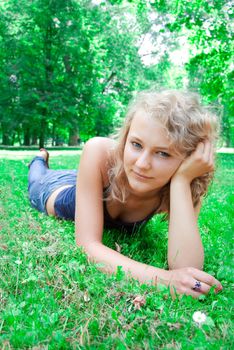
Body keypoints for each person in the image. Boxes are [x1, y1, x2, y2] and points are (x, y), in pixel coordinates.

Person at [28, 90, 223, 298]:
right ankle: (39, 158)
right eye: (136, 144)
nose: (141, 164)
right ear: (125, 138)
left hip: (89, 180)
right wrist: (164, 281)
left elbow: (187, 267)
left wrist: (182, 181)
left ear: (189, 159)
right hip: (55, 190)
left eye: (163, 153)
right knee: (37, 177)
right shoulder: (99, 151)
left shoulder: (183, 186)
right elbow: (87, 245)